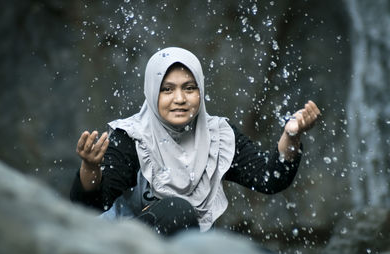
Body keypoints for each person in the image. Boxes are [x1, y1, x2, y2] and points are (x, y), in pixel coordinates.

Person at [70, 47, 320, 236]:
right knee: (177, 212)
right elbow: (91, 207)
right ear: (151, 90)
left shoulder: (218, 136)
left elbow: (270, 178)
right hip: (121, 247)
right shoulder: (132, 136)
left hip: (185, 251)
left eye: (189, 88)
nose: (179, 98)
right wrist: (90, 168)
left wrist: (291, 136)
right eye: (167, 89)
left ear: (201, 90)